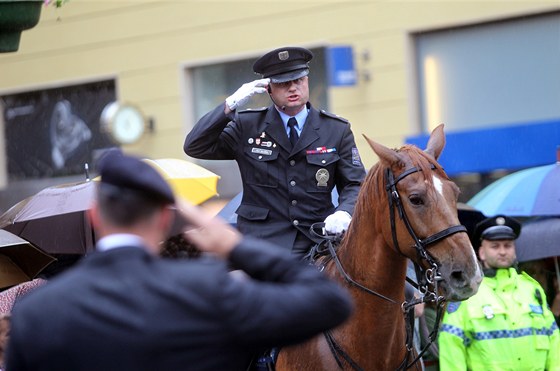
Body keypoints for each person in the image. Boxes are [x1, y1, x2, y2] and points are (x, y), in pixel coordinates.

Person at [5, 151, 353, 371]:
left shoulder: (36, 310)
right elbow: (330, 301)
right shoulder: (208, 291)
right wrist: (235, 248)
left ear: (96, 216)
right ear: (162, 220)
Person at [184, 46, 366, 258]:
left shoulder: (335, 129)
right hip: (262, 243)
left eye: (298, 80)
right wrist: (230, 104)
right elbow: (195, 145)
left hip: (317, 241)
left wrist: (344, 212)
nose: (293, 88)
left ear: (307, 80)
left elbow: (355, 183)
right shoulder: (248, 126)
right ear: (268, 89)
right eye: (283, 83)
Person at [438, 215, 560, 370]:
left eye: (507, 245)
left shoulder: (532, 289)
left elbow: (554, 340)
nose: (502, 251)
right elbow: (451, 347)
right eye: (495, 246)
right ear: (481, 253)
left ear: (514, 250)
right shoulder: (467, 293)